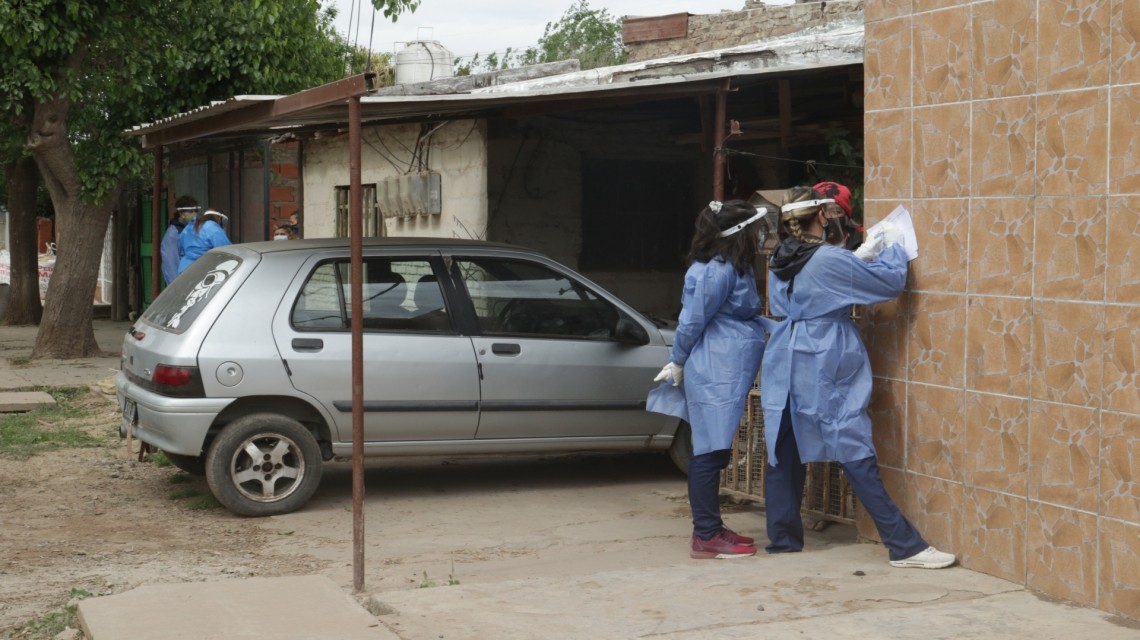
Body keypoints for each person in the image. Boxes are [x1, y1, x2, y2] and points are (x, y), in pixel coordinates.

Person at [760, 186, 955, 569]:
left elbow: (818, 285)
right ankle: (904, 545)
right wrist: (894, 246)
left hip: (785, 355)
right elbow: (887, 284)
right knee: (852, 443)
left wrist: (855, 260)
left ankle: (783, 541)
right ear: (821, 216)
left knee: (783, 446)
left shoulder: (779, 258)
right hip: (823, 354)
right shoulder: (828, 258)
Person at [647, 199, 773, 560]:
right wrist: (677, 359)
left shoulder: (735, 266)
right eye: (755, 227)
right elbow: (692, 320)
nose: (761, 234)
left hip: (727, 362)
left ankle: (711, 528)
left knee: (715, 449)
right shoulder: (714, 271)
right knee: (710, 450)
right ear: (740, 233)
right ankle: (705, 534)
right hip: (716, 367)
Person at [177, 208, 232, 275]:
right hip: (201, 271)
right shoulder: (212, 227)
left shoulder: (189, 227)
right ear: (219, 218)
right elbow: (227, 252)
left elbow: (180, 250)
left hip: (183, 270)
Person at [811, 181, 862, 250]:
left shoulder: (863, 242)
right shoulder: (801, 248)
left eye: (835, 211)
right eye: (821, 211)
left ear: (847, 216)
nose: (827, 217)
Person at [161, 196, 199, 285]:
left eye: (196, 211)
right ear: (181, 213)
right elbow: (170, 265)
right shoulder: (173, 233)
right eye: (190, 211)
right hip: (182, 284)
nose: (194, 214)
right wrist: (177, 288)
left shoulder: (193, 229)